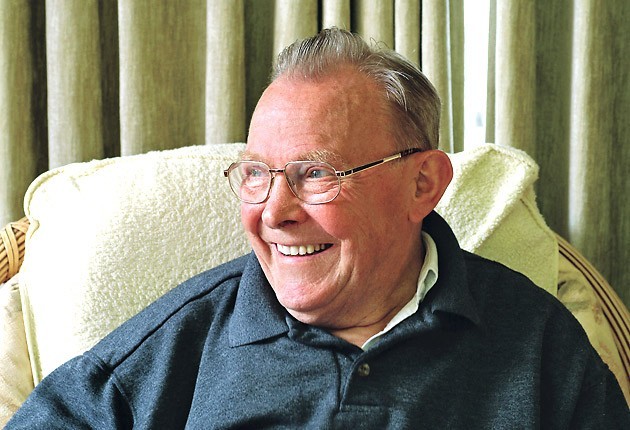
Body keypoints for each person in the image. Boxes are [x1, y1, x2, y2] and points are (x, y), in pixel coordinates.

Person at [7, 27, 629, 429]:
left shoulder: (539, 343)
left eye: (316, 174)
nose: (274, 212)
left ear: (423, 184)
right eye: (257, 174)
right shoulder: (183, 340)